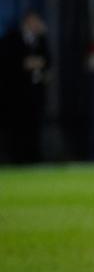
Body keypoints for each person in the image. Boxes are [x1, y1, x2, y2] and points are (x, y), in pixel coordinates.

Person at [0, 10, 50, 164]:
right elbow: (8, 62)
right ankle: (16, 159)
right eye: (34, 21)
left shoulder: (41, 40)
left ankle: (33, 159)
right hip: (16, 94)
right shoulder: (12, 38)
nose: (36, 25)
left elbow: (47, 61)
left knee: (34, 128)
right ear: (27, 22)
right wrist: (25, 63)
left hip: (35, 92)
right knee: (16, 128)